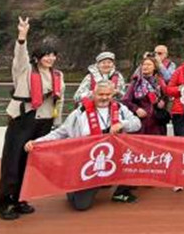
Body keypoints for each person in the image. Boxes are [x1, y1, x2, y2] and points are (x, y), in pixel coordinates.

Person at [25, 80, 142, 209]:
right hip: (87, 161)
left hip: (115, 156)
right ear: (93, 93)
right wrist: (37, 142)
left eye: (108, 94)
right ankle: (73, 188)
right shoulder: (79, 113)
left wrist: (123, 124)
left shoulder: (121, 108)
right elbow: (61, 132)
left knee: (132, 158)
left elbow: (137, 124)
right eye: (101, 94)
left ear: (113, 94)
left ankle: (120, 192)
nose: (104, 98)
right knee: (81, 205)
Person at [0, 17, 65, 221]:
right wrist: (22, 36)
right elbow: (19, 57)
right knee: (13, 161)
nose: (50, 58)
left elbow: (58, 102)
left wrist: (57, 125)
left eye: (53, 55)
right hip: (22, 121)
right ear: (37, 57)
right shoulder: (24, 71)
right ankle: (5, 203)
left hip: (43, 123)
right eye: (46, 55)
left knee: (29, 162)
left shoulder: (58, 76)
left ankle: (20, 199)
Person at [122, 55, 169, 136]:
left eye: (149, 65)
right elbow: (126, 100)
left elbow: (166, 96)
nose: (145, 67)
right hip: (141, 121)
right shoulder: (136, 82)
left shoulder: (159, 82)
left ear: (154, 67)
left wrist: (162, 103)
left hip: (157, 123)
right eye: (144, 64)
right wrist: (136, 109)